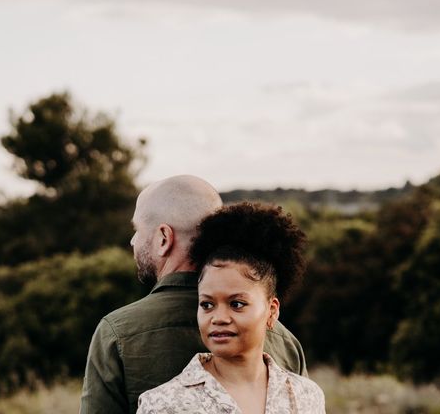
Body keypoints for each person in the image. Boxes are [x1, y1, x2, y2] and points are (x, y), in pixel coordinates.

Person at [80, 176, 308, 414]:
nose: (133, 240)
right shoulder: (286, 341)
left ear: (164, 238)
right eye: (207, 305)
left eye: (137, 230)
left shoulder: (116, 333)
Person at [137, 202, 325, 413]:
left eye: (236, 304)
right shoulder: (163, 404)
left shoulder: (306, 396)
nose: (219, 318)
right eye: (207, 305)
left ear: (272, 310)